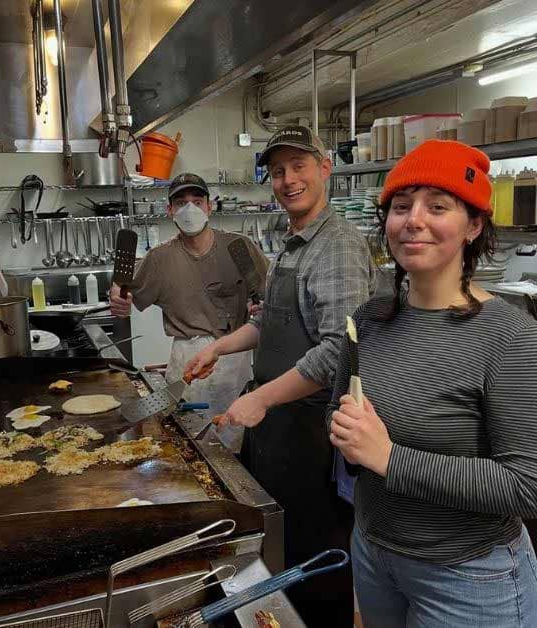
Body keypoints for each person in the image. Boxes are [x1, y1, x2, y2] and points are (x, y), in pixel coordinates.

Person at [329, 140, 537, 626]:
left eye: (437, 207)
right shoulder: (369, 319)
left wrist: (389, 458)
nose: (413, 220)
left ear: (474, 225)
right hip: (374, 554)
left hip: (468, 577)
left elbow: (527, 486)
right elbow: (343, 423)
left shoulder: (510, 336)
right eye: (401, 206)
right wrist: (345, 433)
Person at [184, 126, 373, 626]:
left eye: (299, 166)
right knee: (277, 558)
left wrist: (262, 397)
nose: (288, 179)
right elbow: (271, 320)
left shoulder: (338, 245)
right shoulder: (292, 243)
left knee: (315, 568)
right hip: (279, 433)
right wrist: (220, 346)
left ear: (325, 168)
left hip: (314, 438)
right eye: (278, 170)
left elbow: (339, 351)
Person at [107, 172, 267, 452]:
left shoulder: (238, 248)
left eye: (197, 201)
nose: (189, 209)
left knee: (235, 446)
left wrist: (261, 304)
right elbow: (124, 293)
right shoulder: (159, 259)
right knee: (188, 447)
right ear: (170, 210)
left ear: (209, 207)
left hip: (233, 359)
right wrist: (117, 294)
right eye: (181, 203)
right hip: (187, 364)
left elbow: (270, 296)